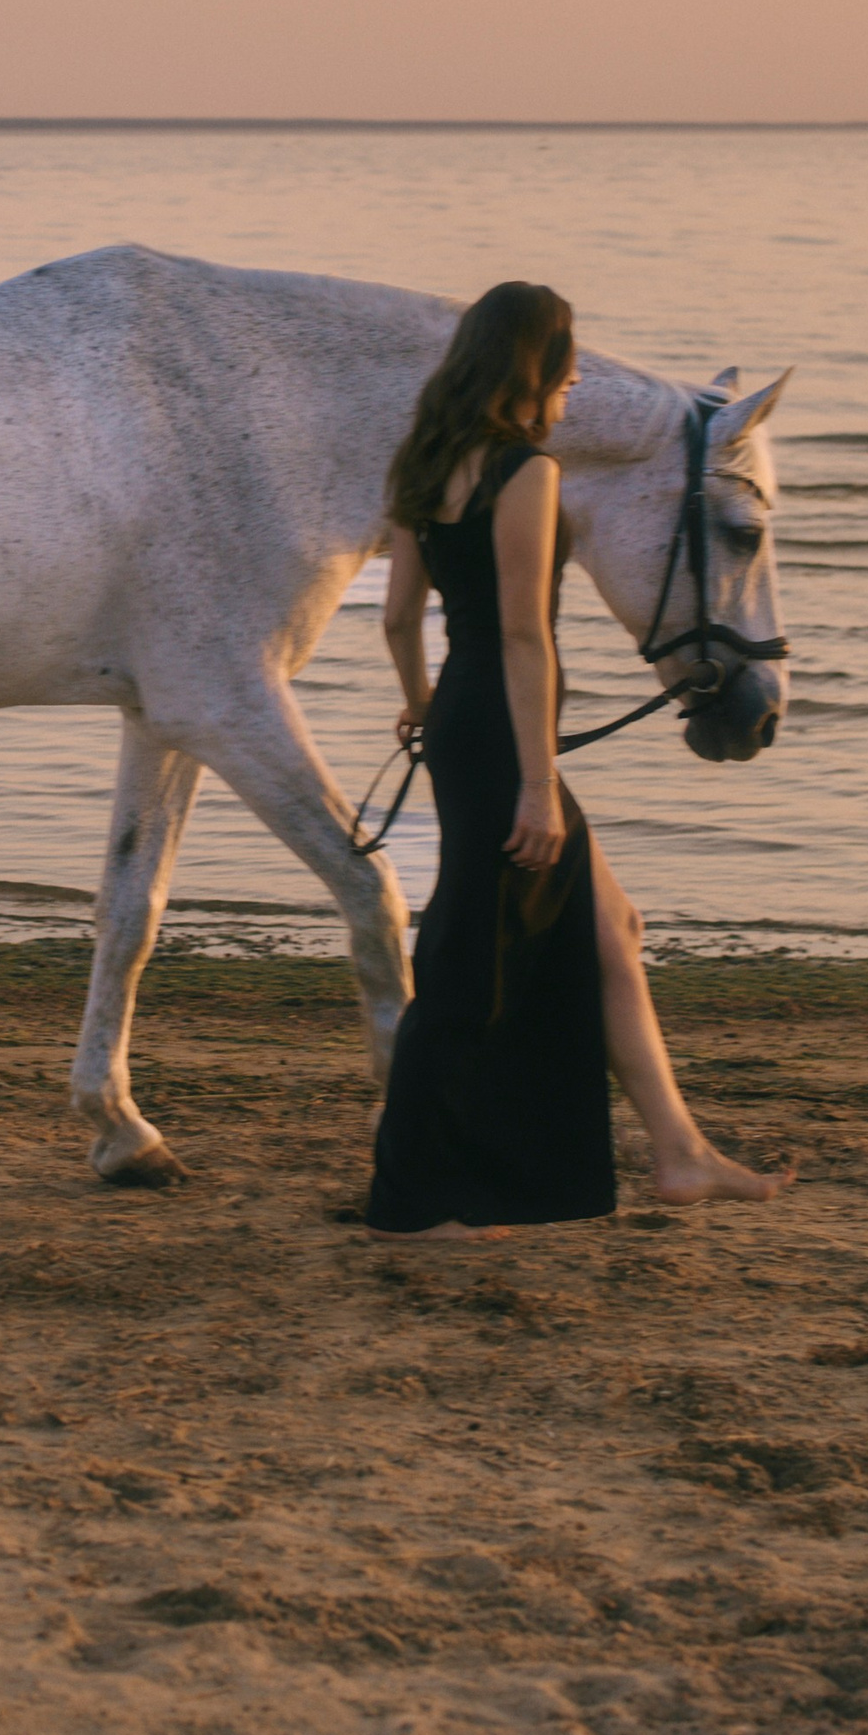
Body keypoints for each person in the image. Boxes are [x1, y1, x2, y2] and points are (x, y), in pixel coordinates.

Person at [366, 280, 794, 1237]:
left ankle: (681, 1151)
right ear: (535, 369)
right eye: (565, 369)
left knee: (611, 928)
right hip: (505, 735)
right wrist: (536, 786)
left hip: (465, 720)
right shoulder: (527, 473)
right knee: (467, 962)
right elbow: (525, 635)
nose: (571, 388)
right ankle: (412, 1199)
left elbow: (397, 616)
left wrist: (422, 701)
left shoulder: (419, 463)